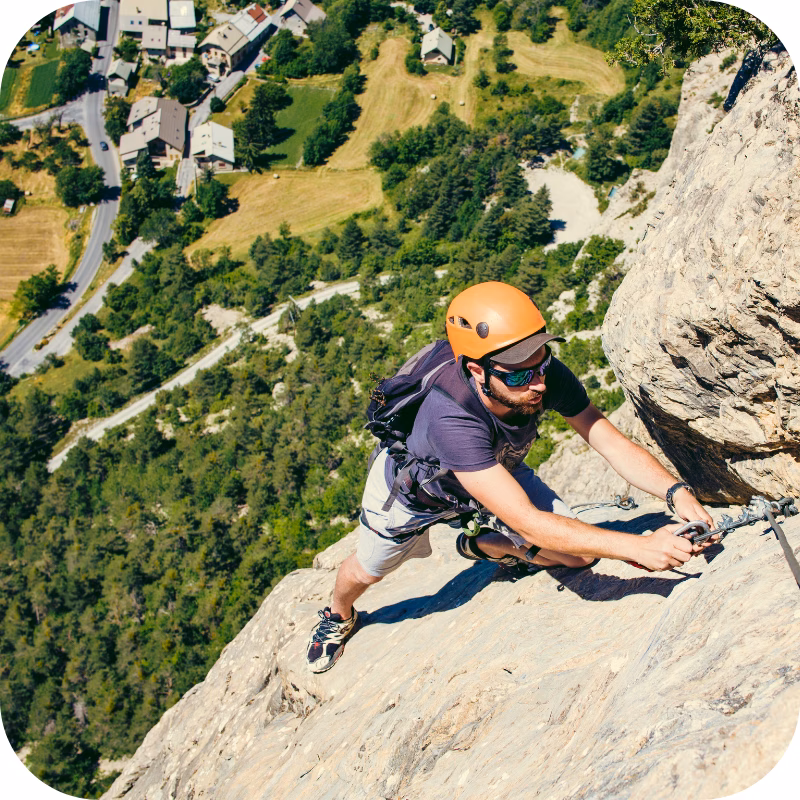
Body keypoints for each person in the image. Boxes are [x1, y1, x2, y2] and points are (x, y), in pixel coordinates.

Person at [306, 282, 715, 673]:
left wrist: (675, 492)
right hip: (417, 493)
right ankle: (338, 616)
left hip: (495, 467)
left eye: (542, 363)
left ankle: (484, 545)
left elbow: (607, 441)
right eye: (519, 375)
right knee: (365, 571)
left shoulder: (537, 372)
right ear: (476, 370)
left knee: (581, 556)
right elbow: (528, 522)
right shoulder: (451, 419)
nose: (537, 383)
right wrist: (638, 547)